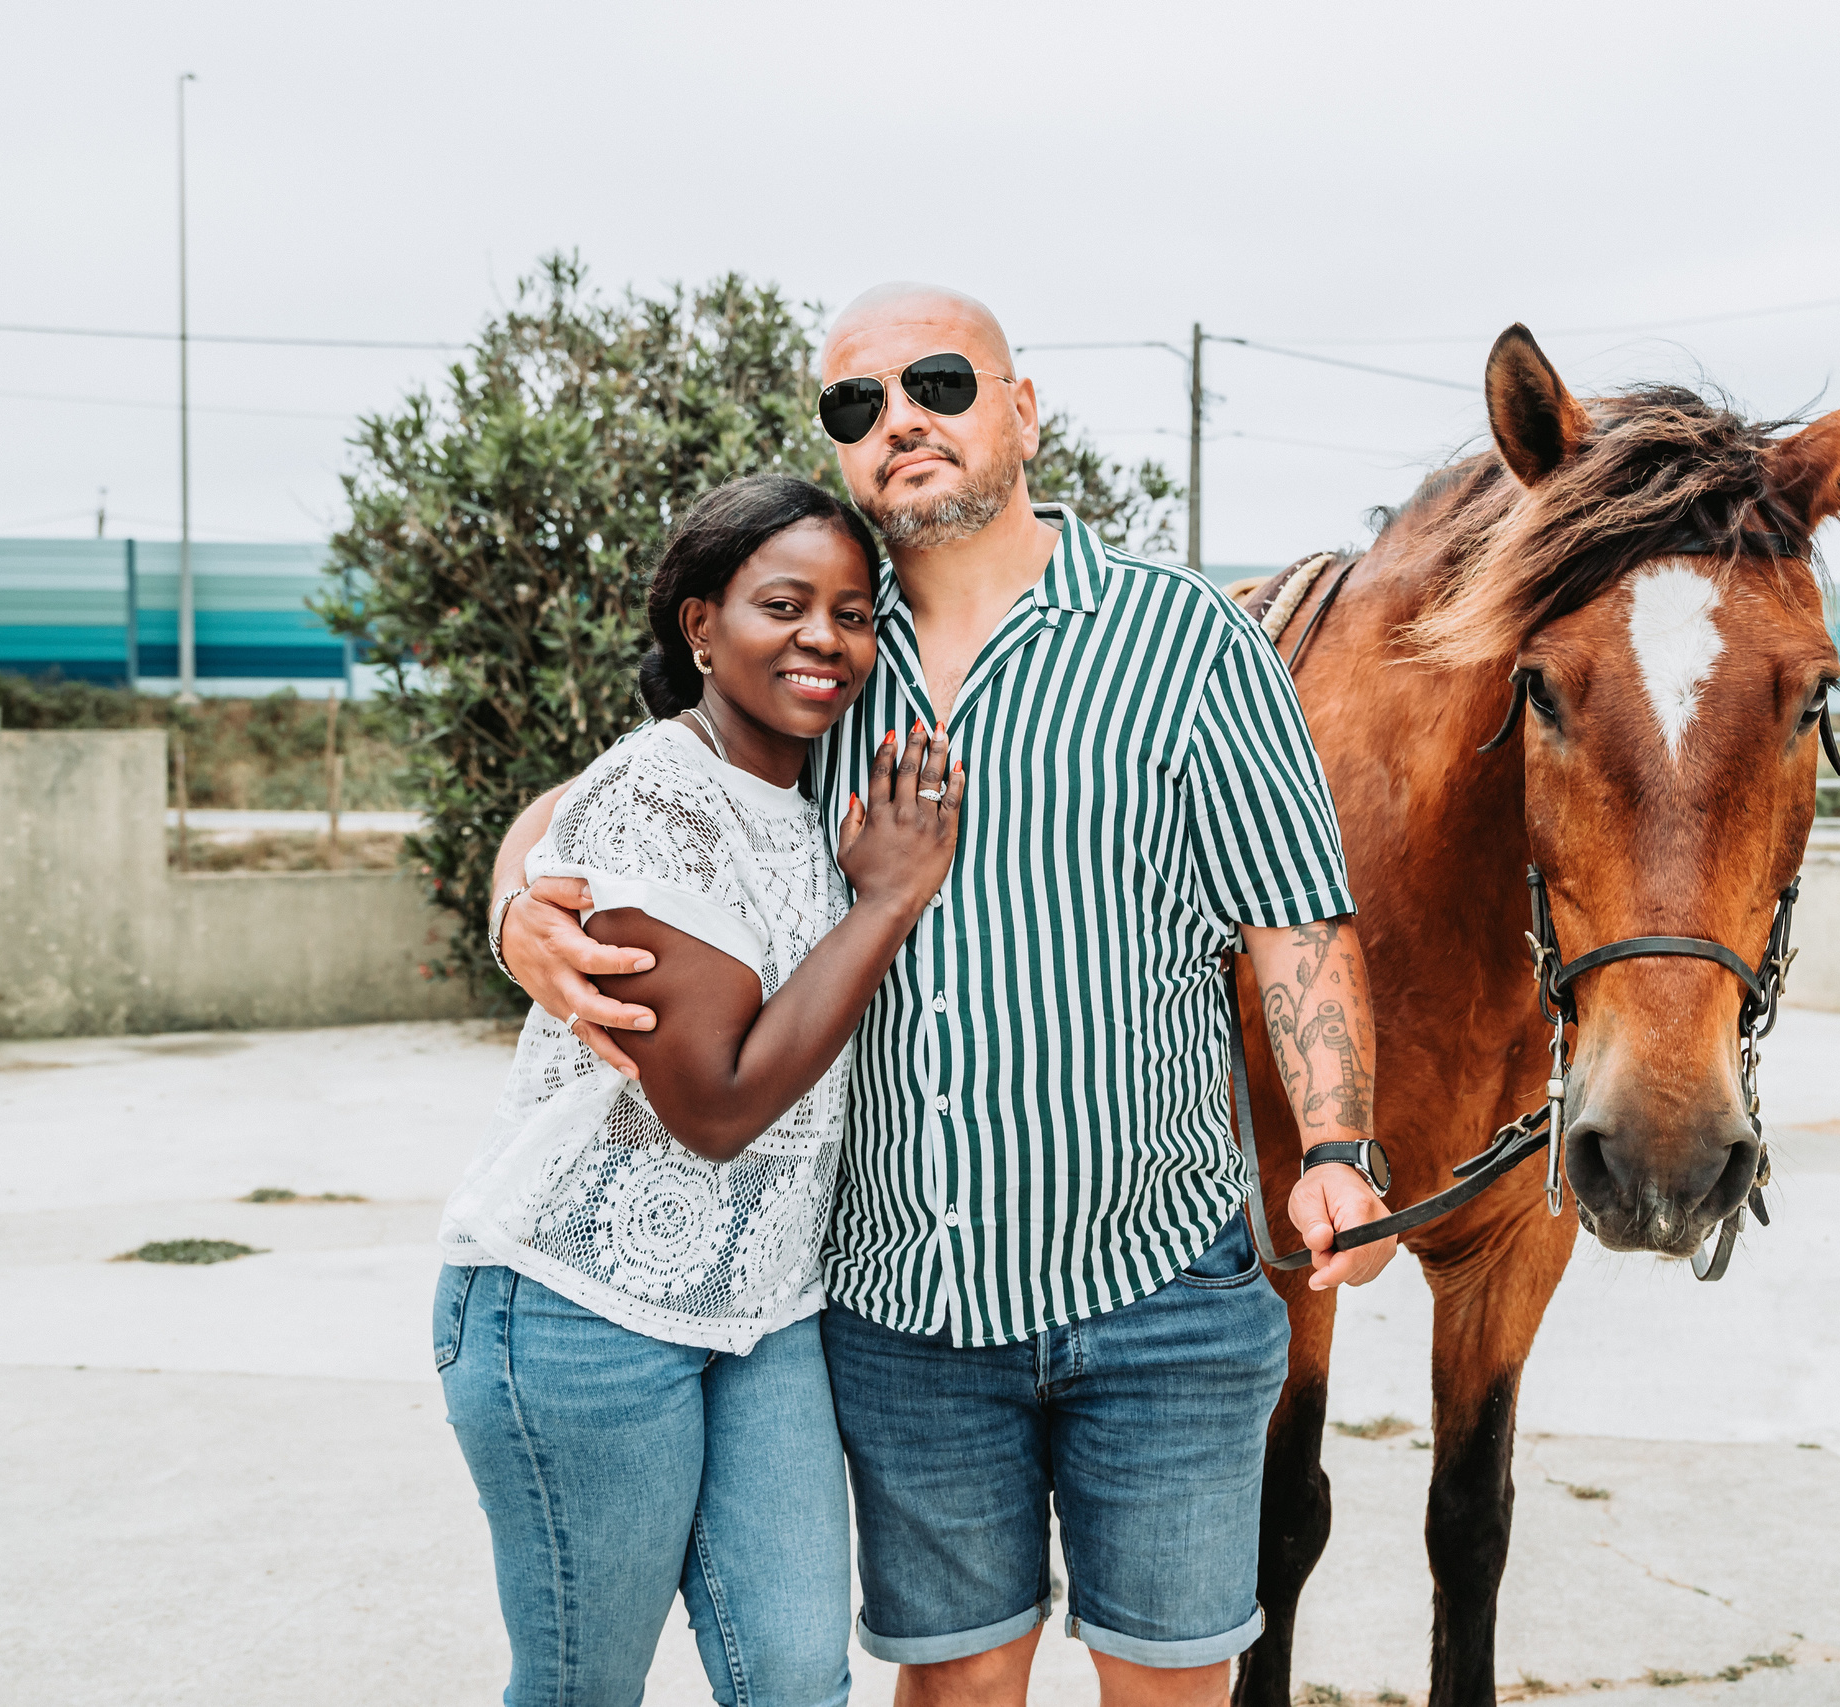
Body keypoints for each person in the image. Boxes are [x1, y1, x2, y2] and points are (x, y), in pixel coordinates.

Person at [495, 284, 1394, 1707]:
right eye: (856, 404)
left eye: (936, 382)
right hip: (904, 1305)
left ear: (1021, 412)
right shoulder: (823, 648)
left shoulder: (1189, 644)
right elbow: (615, 793)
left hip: (1157, 1284)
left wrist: (1340, 1144)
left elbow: (1296, 919)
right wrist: (511, 903)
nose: (898, 417)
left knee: (1169, 1685)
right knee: (959, 1682)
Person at [437, 473, 964, 1707]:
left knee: (791, 1674)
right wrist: (890, 900)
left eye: (851, 612)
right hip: (577, 1306)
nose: (823, 639)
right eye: (783, 604)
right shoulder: (658, 792)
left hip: (764, 1306)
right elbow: (716, 1109)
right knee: (583, 1686)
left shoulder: (818, 788)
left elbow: (544, 812)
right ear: (699, 625)